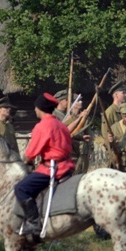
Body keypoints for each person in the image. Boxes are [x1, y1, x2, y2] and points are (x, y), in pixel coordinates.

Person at [14, 93, 75, 235]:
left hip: (53, 169)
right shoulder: (60, 124)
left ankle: (34, 223)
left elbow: (30, 154)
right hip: (68, 166)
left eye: (35, 107)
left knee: (21, 188)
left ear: (39, 108)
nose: (34, 110)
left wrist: (26, 161)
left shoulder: (42, 126)